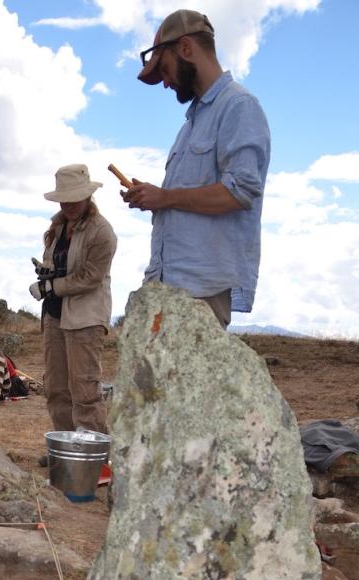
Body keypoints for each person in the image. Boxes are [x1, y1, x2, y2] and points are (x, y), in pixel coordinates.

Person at [122, 9, 271, 328]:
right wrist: (155, 200)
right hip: (167, 289)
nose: (164, 82)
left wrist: (165, 198)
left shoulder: (238, 106)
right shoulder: (191, 123)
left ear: (186, 48)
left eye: (164, 68)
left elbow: (240, 192)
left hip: (199, 294)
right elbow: (185, 203)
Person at [30, 164, 117, 456]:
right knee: (56, 387)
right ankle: (65, 450)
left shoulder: (102, 232)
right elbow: (58, 265)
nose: (68, 204)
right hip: (54, 314)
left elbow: (91, 277)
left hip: (86, 317)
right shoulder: (56, 228)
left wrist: (52, 287)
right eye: (63, 199)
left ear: (88, 196)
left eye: (73, 198)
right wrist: (45, 274)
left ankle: (93, 456)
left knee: (84, 390)